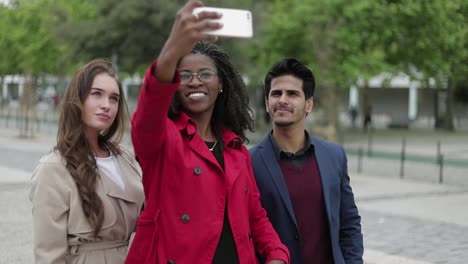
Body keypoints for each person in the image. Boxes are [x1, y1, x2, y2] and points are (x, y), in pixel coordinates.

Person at [125, 1, 289, 263]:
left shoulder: (236, 149)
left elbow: (255, 216)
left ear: (221, 83)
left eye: (205, 73)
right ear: (176, 84)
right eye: (185, 75)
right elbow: (147, 115)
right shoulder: (163, 137)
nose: (196, 81)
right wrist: (171, 51)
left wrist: (276, 253)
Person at [29, 59, 145, 264]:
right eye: (96, 94)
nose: (106, 105)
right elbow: (49, 256)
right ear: (77, 98)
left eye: (114, 98)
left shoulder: (124, 157)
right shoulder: (54, 168)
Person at [249, 58, 364, 264]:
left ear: (309, 104)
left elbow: (349, 224)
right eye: (276, 93)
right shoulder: (249, 162)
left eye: (292, 94)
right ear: (267, 103)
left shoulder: (334, 156)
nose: (282, 99)